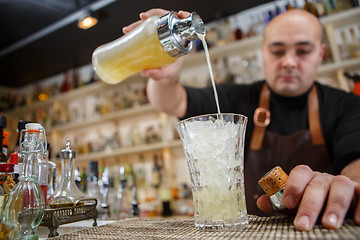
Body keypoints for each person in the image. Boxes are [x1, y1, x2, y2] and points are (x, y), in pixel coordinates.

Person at [123, 8, 360, 231]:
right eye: (277, 51)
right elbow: (171, 101)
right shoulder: (238, 98)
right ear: (263, 53)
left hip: (319, 229)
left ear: (320, 54)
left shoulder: (347, 105)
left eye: (303, 51)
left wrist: (348, 187)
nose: (288, 61)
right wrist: (165, 76)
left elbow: (356, 163)